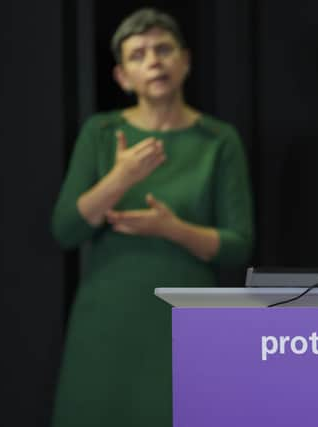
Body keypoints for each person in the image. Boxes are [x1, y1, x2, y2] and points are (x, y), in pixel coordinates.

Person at [50, 8, 254, 427]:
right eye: (139, 55)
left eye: (163, 49)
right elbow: (65, 229)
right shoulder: (101, 134)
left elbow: (238, 246)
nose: (154, 61)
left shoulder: (217, 139)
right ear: (123, 77)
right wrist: (120, 178)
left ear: (186, 61)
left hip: (183, 320)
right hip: (107, 318)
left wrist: (172, 229)